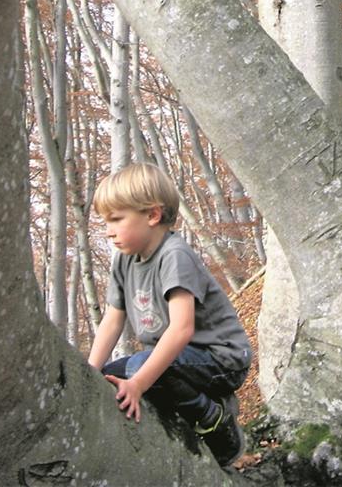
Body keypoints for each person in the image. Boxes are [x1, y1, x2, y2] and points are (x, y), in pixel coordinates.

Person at [86, 163, 252, 467]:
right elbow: (112, 320)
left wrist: (138, 384)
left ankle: (216, 422)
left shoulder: (173, 256)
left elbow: (181, 330)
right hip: (182, 359)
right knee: (115, 375)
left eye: (116, 219)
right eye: (105, 221)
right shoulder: (123, 261)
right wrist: (90, 372)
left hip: (221, 358)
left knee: (139, 370)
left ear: (152, 215)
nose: (108, 231)